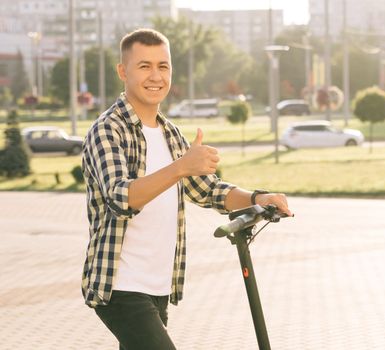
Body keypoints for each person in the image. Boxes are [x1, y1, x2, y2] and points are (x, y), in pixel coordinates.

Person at [81, 28, 292, 350]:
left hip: (159, 284)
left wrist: (258, 197)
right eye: (144, 66)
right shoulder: (107, 130)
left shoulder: (170, 133)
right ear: (123, 71)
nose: (156, 76)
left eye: (163, 66)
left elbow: (209, 191)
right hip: (119, 286)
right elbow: (120, 197)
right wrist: (182, 166)